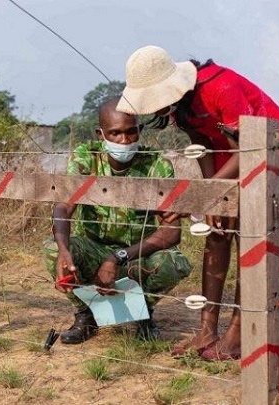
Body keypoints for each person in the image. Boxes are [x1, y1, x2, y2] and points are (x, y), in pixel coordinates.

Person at [117, 45, 279, 360]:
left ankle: (238, 333)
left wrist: (203, 196)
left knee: (246, 236)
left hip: (262, 144)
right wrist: (212, 200)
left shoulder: (221, 88)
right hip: (228, 150)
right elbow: (204, 146)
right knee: (217, 231)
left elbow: (248, 150)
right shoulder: (183, 106)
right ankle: (207, 329)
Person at [44, 96, 192, 344]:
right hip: (93, 250)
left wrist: (117, 257)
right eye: (115, 134)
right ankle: (87, 315)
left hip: (136, 254)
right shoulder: (87, 157)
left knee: (172, 262)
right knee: (53, 249)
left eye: (131, 132)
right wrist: (63, 250)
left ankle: (143, 314)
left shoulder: (156, 164)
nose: (124, 141)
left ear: (140, 130)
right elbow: (64, 206)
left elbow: (171, 233)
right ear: (100, 135)